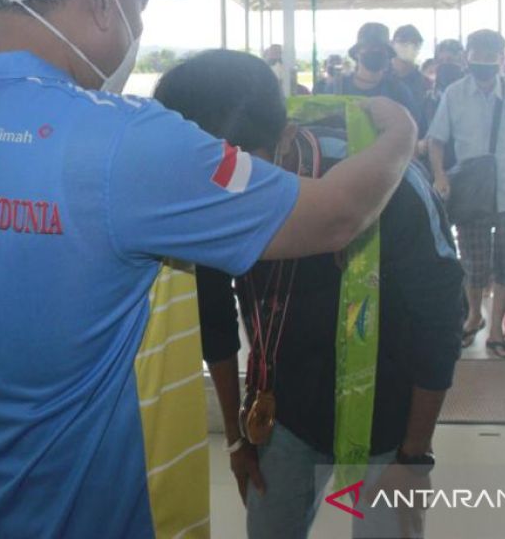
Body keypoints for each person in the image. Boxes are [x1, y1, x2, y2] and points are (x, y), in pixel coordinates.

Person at [0, 0, 417, 538]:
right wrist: (402, 133)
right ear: (103, 0)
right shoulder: (121, 141)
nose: (136, 25)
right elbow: (335, 214)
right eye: (138, 5)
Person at [154, 49, 463, 539]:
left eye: (237, 169)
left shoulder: (391, 185)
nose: (222, 192)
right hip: (283, 414)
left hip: (388, 415)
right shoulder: (204, 194)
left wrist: (415, 455)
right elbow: (212, 316)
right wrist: (238, 439)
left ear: (285, 141)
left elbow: (440, 319)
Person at [428, 29, 505, 360]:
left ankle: (497, 331)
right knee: (473, 261)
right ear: (467, 59)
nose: (484, 68)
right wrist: (439, 175)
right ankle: (474, 315)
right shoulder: (454, 94)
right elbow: (436, 139)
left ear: (501, 61)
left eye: (490, 62)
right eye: (478, 61)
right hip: (472, 193)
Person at [327, 22, 423, 129]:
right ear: (357, 53)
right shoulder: (337, 88)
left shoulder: (398, 91)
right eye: (369, 47)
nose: (375, 51)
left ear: (388, 54)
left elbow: (414, 129)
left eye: (380, 48)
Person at [391, 24, 430, 104]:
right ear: (392, 44)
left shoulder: (426, 84)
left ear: (419, 47)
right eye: (403, 41)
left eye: (414, 43)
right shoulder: (380, 77)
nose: (408, 46)